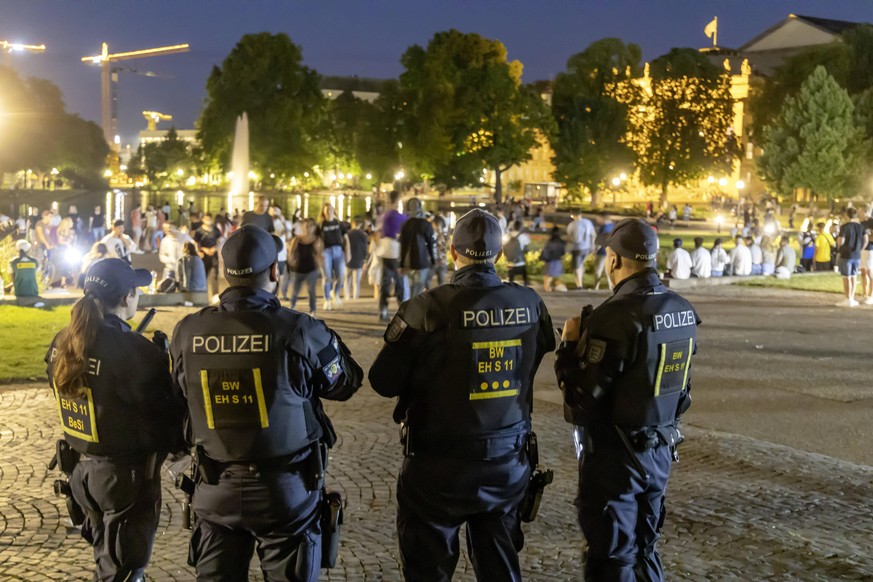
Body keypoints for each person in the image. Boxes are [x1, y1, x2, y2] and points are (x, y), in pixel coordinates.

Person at [369, 209, 556, 581]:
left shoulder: (427, 307)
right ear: (500, 255)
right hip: (507, 460)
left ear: (452, 251)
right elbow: (540, 352)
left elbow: (382, 381)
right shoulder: (530, 303)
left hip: (437, 466)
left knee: (428, 570)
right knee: (501, 565)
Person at [169, 224, 363, 581]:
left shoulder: (187, 332)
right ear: (275, 271)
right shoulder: (298, 329)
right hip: (285, 493)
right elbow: (346, 383)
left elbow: (176, 394)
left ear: (226, 273)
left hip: (215, 488)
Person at [555, 218, 699, 581]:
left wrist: (569, 347)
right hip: (661, 448)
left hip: (615, 459)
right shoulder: (682, 309)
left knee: (612, 558)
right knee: (645, 549)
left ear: (615, 261)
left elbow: (580, 403)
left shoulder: (613, 317)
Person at [46, 259, 184, 581]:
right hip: (125, 480)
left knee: (107, 561)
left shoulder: (62, 342)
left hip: (82, 472)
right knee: (123, 571)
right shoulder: (135, 351)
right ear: (127, 298)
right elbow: (169, 415)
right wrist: (164, 367)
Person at [377, 190, 409, 321]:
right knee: (399, 283)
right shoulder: (399, 217)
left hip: (385, 252)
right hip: (396, 253)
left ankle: (383, 310)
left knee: (385, 282)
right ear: (397, 201)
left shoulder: (383, 216)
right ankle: (403, 313)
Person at [399, 197, 436, 298]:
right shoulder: (426, 224)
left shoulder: (405, 225)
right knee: (418, 287)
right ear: (420, 207)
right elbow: (430, 243)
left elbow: (403, 245)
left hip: (408, 261)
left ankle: (410, 305)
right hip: (422, 260)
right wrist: (433, 260)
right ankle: (414, 306)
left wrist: (401, 263)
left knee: (410, 287)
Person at [288, 218, 324, 315]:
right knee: (295, 290)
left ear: (314, 227)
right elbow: (291, 252)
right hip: (298, 268)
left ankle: (313, 310)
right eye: (306, 226)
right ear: (303, 226)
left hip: (311, 269)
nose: (308, 228)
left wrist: (320, 265)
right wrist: (291, 261)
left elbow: (320, 255)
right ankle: (292, 306)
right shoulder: (297, 239)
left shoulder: (316, 240)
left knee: (311, 290)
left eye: (310, 226)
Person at [317, 203, 348, 311]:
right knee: (327, 277)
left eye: (330, 210)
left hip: (338, 251)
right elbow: (316, 240)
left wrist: (348, 253)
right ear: (324, 213)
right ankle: (327, 300)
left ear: (333, 211)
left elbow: (346, 238)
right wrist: (318, 254)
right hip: (326, 252)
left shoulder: (339, 223)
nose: (329, 212)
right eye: (326, 211)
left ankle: (336, 292)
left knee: (341, 276)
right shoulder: (321, 225)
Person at [835, 208, 868, 307]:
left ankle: (847, 298)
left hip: (846, 255)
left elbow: (841, 241)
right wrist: (860, 249)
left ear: (846, 215)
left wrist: (838, 241)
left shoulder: (844, 227)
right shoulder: (861, 226)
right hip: (856, 255)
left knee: (846, 277)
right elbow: (865, 240)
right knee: (854, 276)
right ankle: (852, 298)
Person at [193, 215, 221, 299]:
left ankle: (215, 295)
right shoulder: (199, 231)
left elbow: (219, 240)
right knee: (203, 274)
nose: (209, 221)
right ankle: (203, 294)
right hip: (203, 256)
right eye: (207, 219)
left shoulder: (215, 230)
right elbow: (196, 243)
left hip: (214, 256)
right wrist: (201, 251)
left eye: (210, 219)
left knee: (214, 274)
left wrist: (215, 248)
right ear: (203, 220)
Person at [567, 211, 595, 289]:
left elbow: (569, 237)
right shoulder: (588, 222)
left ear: (573, 215)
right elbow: (593, 234)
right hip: (587, 247)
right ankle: (579, 282)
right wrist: (592, 245)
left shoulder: (572, 224)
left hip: (577, 248)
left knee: (576, 267)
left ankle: (579, 285)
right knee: (581, 264)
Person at [345, 217, 370, 300]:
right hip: (359, 260)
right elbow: (365, 248)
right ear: (360, 225)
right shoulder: (363, 235)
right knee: (356, 281)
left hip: (348, 260)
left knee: (347, 279)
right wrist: (365, 259)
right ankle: (355, 297)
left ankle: (347, 296)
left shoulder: (348, 234)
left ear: (353, 224)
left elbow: (344, 246)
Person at [541, 226, 568, 292]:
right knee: (552, 277)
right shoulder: (562, 242)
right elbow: (563, 252)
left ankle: (547, 291)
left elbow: (546, 251)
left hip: (549, 261)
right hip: (557, 261)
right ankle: (549, 290)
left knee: (547, 278)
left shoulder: (550, 242)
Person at [504, 220, 530, 286]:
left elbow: (505, 249)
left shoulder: (508, 236)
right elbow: (526, 250)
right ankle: (525, 286)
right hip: (520, 262)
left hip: (510, 262)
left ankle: (510, 289)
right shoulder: (524, 237)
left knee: (511, 278)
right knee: (524, 275)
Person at [593, 213, 615, 289]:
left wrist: (595, 250)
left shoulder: (603, 228)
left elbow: (600, 240)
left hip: (602, 252)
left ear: (602, 218)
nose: (597, 220)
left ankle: (596, 287)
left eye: (598, 218)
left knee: (598, 270)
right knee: (608, 271)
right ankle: (611, 287)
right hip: (611, 251)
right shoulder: (612, 226)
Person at [860, 212, 873, 304]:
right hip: (861, 249)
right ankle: (865, 294)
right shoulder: (861, 223)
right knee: (863, 272)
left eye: (861, 211)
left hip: (869, 249)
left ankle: (871, 294)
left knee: (870, 272)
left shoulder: (871, 222)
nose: (859, 213)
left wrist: (866, 236)